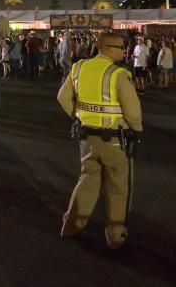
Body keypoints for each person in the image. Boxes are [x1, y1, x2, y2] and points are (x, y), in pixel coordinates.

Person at [57, 32, 142, 249]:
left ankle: (71, 225)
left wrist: (78, 115)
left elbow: (62, 97)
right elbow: (133, 112)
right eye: (122, 47)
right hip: (114, 140)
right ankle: (115, 235)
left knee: (87, 180)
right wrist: (136, 129)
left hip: (86, 137)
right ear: (109, 48)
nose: (125, 51)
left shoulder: (79, 68)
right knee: (119, 187)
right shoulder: (117, 74)